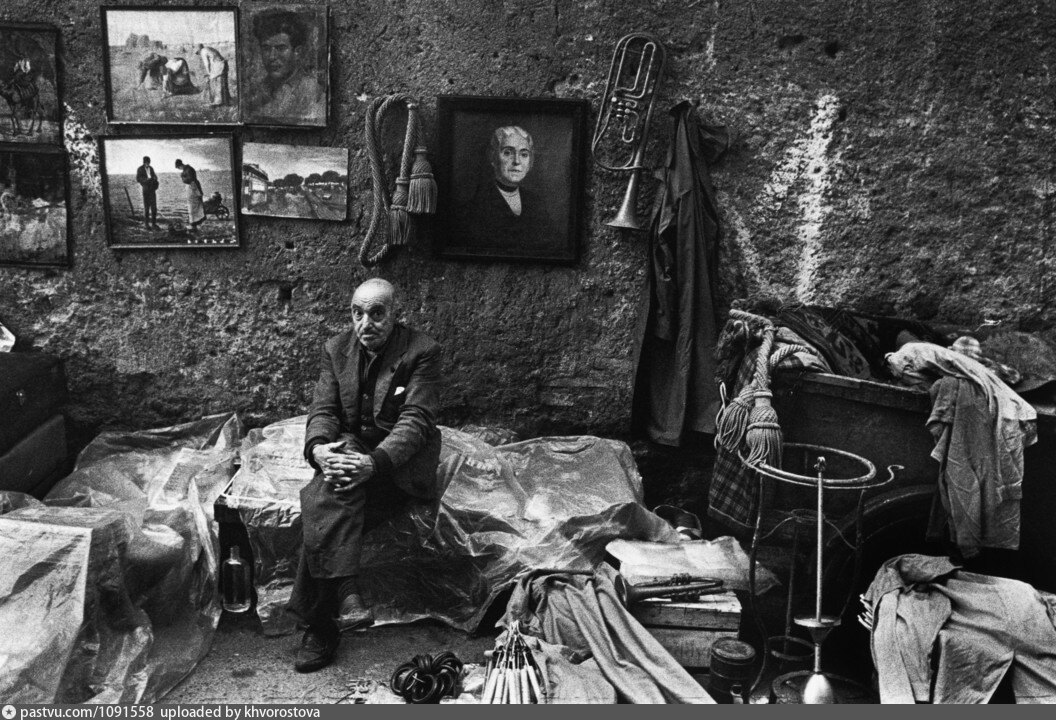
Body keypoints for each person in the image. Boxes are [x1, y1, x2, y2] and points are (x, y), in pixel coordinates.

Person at [287, 278, 442, 673]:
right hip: (352, 448)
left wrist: (373, 464)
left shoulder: (422, 351)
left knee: (322, 503)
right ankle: (346, 595)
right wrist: (319, 449)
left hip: (398, 462)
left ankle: (321, 624)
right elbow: (323, 410)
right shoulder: (336, 349)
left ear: (394, 314)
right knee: (331, 482)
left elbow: (416, 420)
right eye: (357, 313)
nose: (365, 323)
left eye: (376, 313)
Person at [461, 125, 554, 248]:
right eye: (508, 152)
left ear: (530, 161)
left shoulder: (535, 203)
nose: (517, 161)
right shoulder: (477, 204)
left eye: (524, 154)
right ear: (493, 157)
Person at [246, 9, 325, 123]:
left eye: (281, 48)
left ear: (297, 52)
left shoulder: (314, 92)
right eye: (266, 48)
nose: (272, 56)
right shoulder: (257, 92)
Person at [174, 159, 204, 231]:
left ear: (180, 166)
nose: (179, 169)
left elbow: (190, 180)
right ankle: (194, 225)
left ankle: (193, 225)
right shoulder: (188, 169)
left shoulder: (187, 170)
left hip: (193, 188)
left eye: (178, 168)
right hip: (193, 188)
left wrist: (182, 177)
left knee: (192, 208)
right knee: (194, 208)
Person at [135, 156, 160, 230]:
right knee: (146, 208)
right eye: (146, 162)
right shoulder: (140, 169)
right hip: (146, 190)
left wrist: (154, 178)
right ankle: (146, 225)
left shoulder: (151, 168)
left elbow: (154, 176)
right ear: (144, 162)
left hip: (152, 190)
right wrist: (146, 180)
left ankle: (154, 224)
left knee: (154, 208)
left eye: (148, 162)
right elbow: (138, 179)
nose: (147, 164)